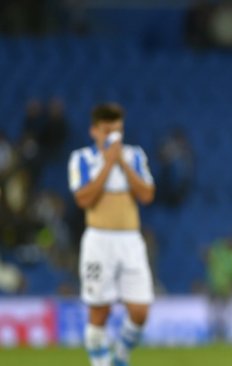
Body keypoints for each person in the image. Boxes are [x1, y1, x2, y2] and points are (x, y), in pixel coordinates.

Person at [68, 103, 155, 366]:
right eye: (107, 131)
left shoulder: (135, 156)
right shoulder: (82, 159)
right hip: (98, 241)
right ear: (94, 131)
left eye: (118, 131)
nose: (114, 137)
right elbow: (83, 199)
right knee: (99, 311)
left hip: (130, 240)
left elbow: (147, 195)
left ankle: (121, 354)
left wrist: (122, 163)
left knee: (140, 310)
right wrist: (107, 164)